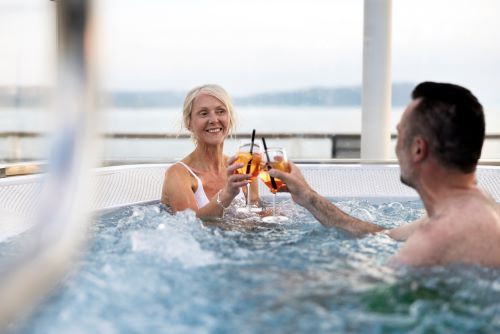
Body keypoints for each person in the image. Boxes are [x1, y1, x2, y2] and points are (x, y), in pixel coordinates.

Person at [270, 82, 500, 267]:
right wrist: (308, 196)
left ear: (418, 149)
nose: (396, 145)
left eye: (399, 134)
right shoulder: (471, 210)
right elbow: (385, 236)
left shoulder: (432, 242)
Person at [161, 84, 256, 218]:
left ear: (230, 118)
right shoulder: (178, 175)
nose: (213, 120)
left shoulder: (243, 168)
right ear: (189, 122)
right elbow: (191, 226)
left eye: (220, 111)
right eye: (204, 113)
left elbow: (256, 219)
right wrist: (226, 195)